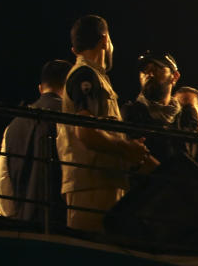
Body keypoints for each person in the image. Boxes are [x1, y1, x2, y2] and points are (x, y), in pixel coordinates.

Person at [56, 15, 157, 234]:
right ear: (104, 40)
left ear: (74, 49)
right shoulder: (86, 75)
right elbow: (87, 134)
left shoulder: (94, 76)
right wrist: (127, 148)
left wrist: (129, 148)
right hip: (93, 186)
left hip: (101, 183)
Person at [0, 59, 72, 228]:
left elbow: (3, 188)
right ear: (69, 87)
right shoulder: (72, 120)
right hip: (62, 226)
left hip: (23, 227)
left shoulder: (12, 126)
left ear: (40, 88)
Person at [121, 52, 198, 163]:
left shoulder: (185, 117)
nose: (149, 74)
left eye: (156, 69)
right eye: (145, 70)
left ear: (175, 76)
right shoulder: (131, 112)